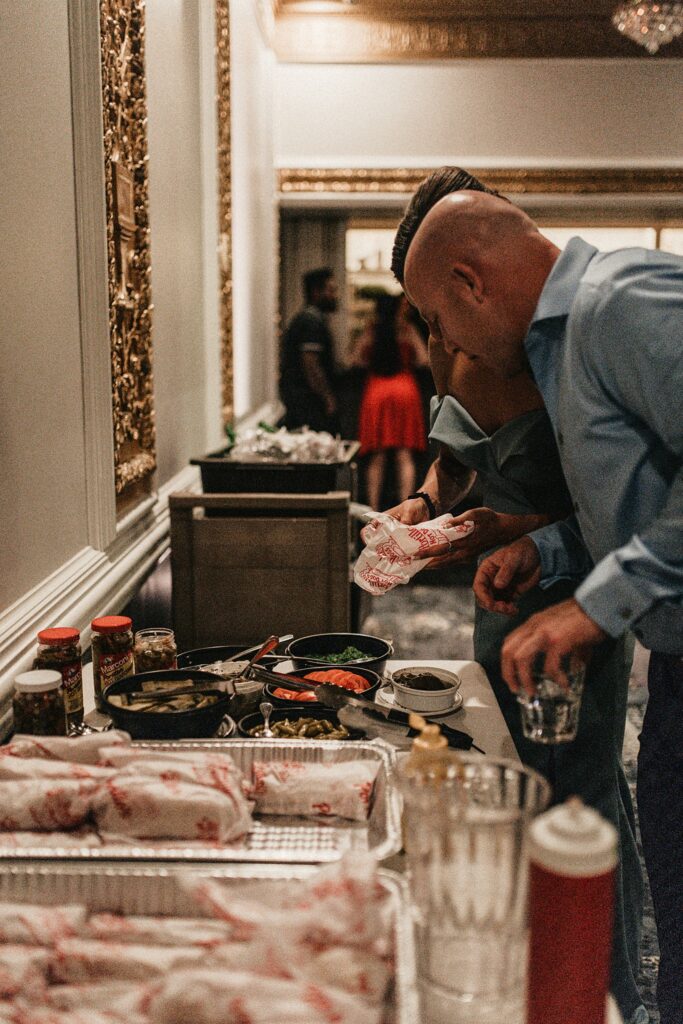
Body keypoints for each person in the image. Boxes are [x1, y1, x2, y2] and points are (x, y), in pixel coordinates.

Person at [393, 169, 683, 1024]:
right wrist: (539, 546)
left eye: (441, 322)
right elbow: (638, 501)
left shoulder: (617, 299)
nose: (450, 345)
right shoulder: (562, 343)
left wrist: (596, 604)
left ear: (469, 282)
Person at [349, 293, 429, 510]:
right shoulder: (406, 329)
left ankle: (374, 511)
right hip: (404, 389)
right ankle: (406, 509)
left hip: (377, 390)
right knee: (405, 455)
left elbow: (355, 359)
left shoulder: (372, 330)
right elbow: (423, 359)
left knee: (377, 456)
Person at [279, 267, 339, 434]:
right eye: (331, 290)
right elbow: (311, 364)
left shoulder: (311, 319)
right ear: (315, 292)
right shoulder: (311, 321)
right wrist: (327, 398)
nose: (335, 295)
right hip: (308, 403)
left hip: (305, 401)